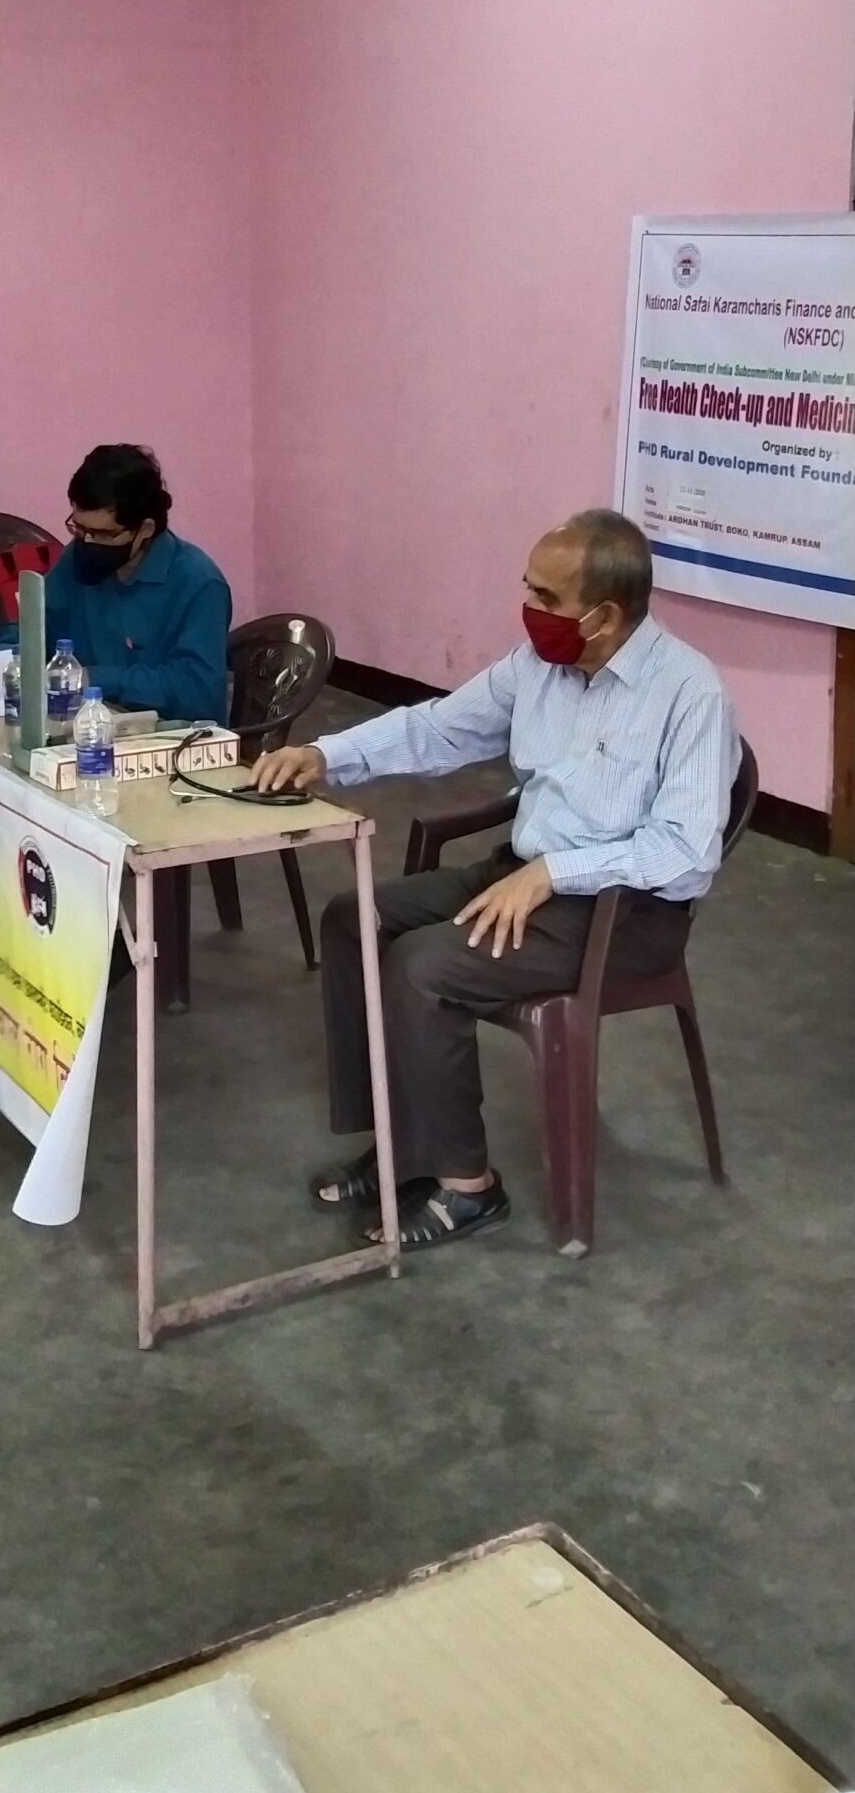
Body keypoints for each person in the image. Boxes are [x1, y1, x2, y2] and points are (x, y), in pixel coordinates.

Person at [254, 510, 740, 1252]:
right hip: (524, 873)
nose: (529, 608)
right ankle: (400, 1140)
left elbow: (687, 850)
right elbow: (440, 727)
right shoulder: (538, 666)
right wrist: (327, 755)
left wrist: (557, 871)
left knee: (424, 965)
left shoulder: (689, 693)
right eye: (529, 588)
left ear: (606, 616)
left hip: (623, 912)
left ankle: (467, 1185)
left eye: (547, 597)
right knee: (353, 920)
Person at [0, 444, 231, 726]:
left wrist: (97, 678)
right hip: (88, 726)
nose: (87, 542)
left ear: (145, 529)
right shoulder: (76, 558)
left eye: (102, 534)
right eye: (80, 528)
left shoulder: (199, 583)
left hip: (172, 739)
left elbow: (198, 690)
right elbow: (34, 627)